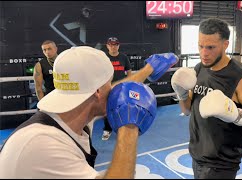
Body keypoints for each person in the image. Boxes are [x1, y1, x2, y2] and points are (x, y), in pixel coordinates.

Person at [0, 46, 178, 178]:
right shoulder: (43, 145)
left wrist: (148, 70)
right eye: (109, 83)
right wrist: (129, 127)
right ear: (98, 91)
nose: (114, 89)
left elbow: (109, 91)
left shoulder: (72, 112)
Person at [171, 18, 242, 179]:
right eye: (201, 46)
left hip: (221, 164)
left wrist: (235, 114)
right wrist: (181, 93)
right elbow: (187, 110)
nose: (204, 53)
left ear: (225, 45)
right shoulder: (199, 68)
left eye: (211, 47)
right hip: (197, 156)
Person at [102, 37, 133, 140]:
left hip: (121, 88)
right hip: (107, 88)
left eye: (115, 44)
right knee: (107, 110)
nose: (113, 47)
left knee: (122, 109)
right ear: (107, 46)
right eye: (111, 44)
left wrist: (128, 85)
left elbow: (129, 72)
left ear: (118, 45)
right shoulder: (104, 58)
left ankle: (121, 129)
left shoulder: (124, 57)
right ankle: (107, 130)